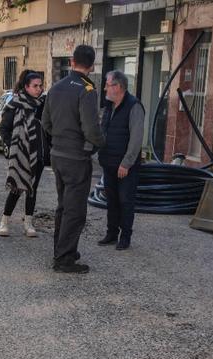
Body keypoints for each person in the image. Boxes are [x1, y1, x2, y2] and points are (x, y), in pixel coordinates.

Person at [41, 45, 104, 274]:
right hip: (77, 158)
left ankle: (62, 249)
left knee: (63, 206)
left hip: (57, 155)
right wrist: (99, 144)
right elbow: (91, 128)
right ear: (92, 65)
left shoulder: (56, 87)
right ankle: (64, 259)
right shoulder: (87, 90)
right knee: (75, 210)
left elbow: (45, 123)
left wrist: (59, 138)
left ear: (71, 60)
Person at [97, 71, 145, 251]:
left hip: (125, 166)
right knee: (112, 200)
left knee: (125, 201)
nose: (105, 88)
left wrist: (126, 163)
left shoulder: (134, 106)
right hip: (109, 162)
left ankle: (125, 237)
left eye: (107, 85)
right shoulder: (109, 106)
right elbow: (103, 132)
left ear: (118, 87)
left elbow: (136, 138)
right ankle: (111, 233)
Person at [0, 70, 46, 238]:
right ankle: (4, 221)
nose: (39, 89)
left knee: (32, 189)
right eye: (35, 86)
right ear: (26, 87)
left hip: (37, 155)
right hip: (20, 155)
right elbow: (3, 129)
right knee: (16, 188)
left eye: (40, 86)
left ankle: (28, 223)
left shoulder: (42, 106)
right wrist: (14, 146)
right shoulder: (15, 105)